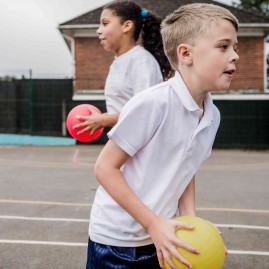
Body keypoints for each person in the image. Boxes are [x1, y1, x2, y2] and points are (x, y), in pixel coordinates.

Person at [86, 3, 239, 269]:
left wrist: (193, 224)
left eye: (234, 47)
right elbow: (104, 168)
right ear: (186, 53)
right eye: (223, 46)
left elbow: (185, 166)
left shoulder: (212, 115)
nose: (235, 55)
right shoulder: (153, 103)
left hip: (164, 233)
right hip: (117, 242)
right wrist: (152, 223)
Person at [74, 0, 173, 136]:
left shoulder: (141, 61)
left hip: (142, 147)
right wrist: (100, 119)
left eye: (105, 23)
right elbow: (124, 109)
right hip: (125, 143)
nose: (98, 30)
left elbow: (144, 111)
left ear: (126, 26)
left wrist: (103, 120)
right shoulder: (119, 62)